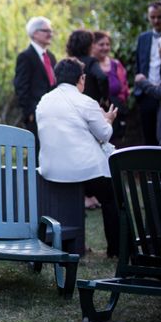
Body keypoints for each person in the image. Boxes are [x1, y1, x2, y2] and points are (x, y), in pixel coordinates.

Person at [36, 58, 119, 257]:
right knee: (112, 197)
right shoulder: (86, 102)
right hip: (83, 171)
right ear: (81, 78)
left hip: (51, 170)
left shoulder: (43, 101)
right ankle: (116, 249)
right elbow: (105, 135)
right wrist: (108, 120)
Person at [13, 16, 57, 147]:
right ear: (35, 33)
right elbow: (21, 87)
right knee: (36, 153)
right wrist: (29, 113)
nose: (50, 34)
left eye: (51, 31)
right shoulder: (25, 57)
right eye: (46, 31)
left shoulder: (51, 57)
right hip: (36, 115)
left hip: (52, 114)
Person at [92, 31, 129, 146]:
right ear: (93, 45)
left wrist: (118, 104)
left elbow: (124, 88)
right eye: (101, 44)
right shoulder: (90, 66)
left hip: (115, 113)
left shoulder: (116, 64)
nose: (105, 47)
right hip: (95, 114)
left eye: (107, 44)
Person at [135, 0, 161, 145]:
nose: (156, 21)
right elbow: (139, 64)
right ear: (148, 17)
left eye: (160, 17)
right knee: (148, 138)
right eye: (153, 17)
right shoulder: (143, 38)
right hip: (145, 94)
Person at [66, 29, 109, 105]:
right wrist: (104, 98)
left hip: (72, 104)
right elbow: (102, 77)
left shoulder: (66, 62)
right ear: (88, 46)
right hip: (89, 103)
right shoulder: (91, 62)